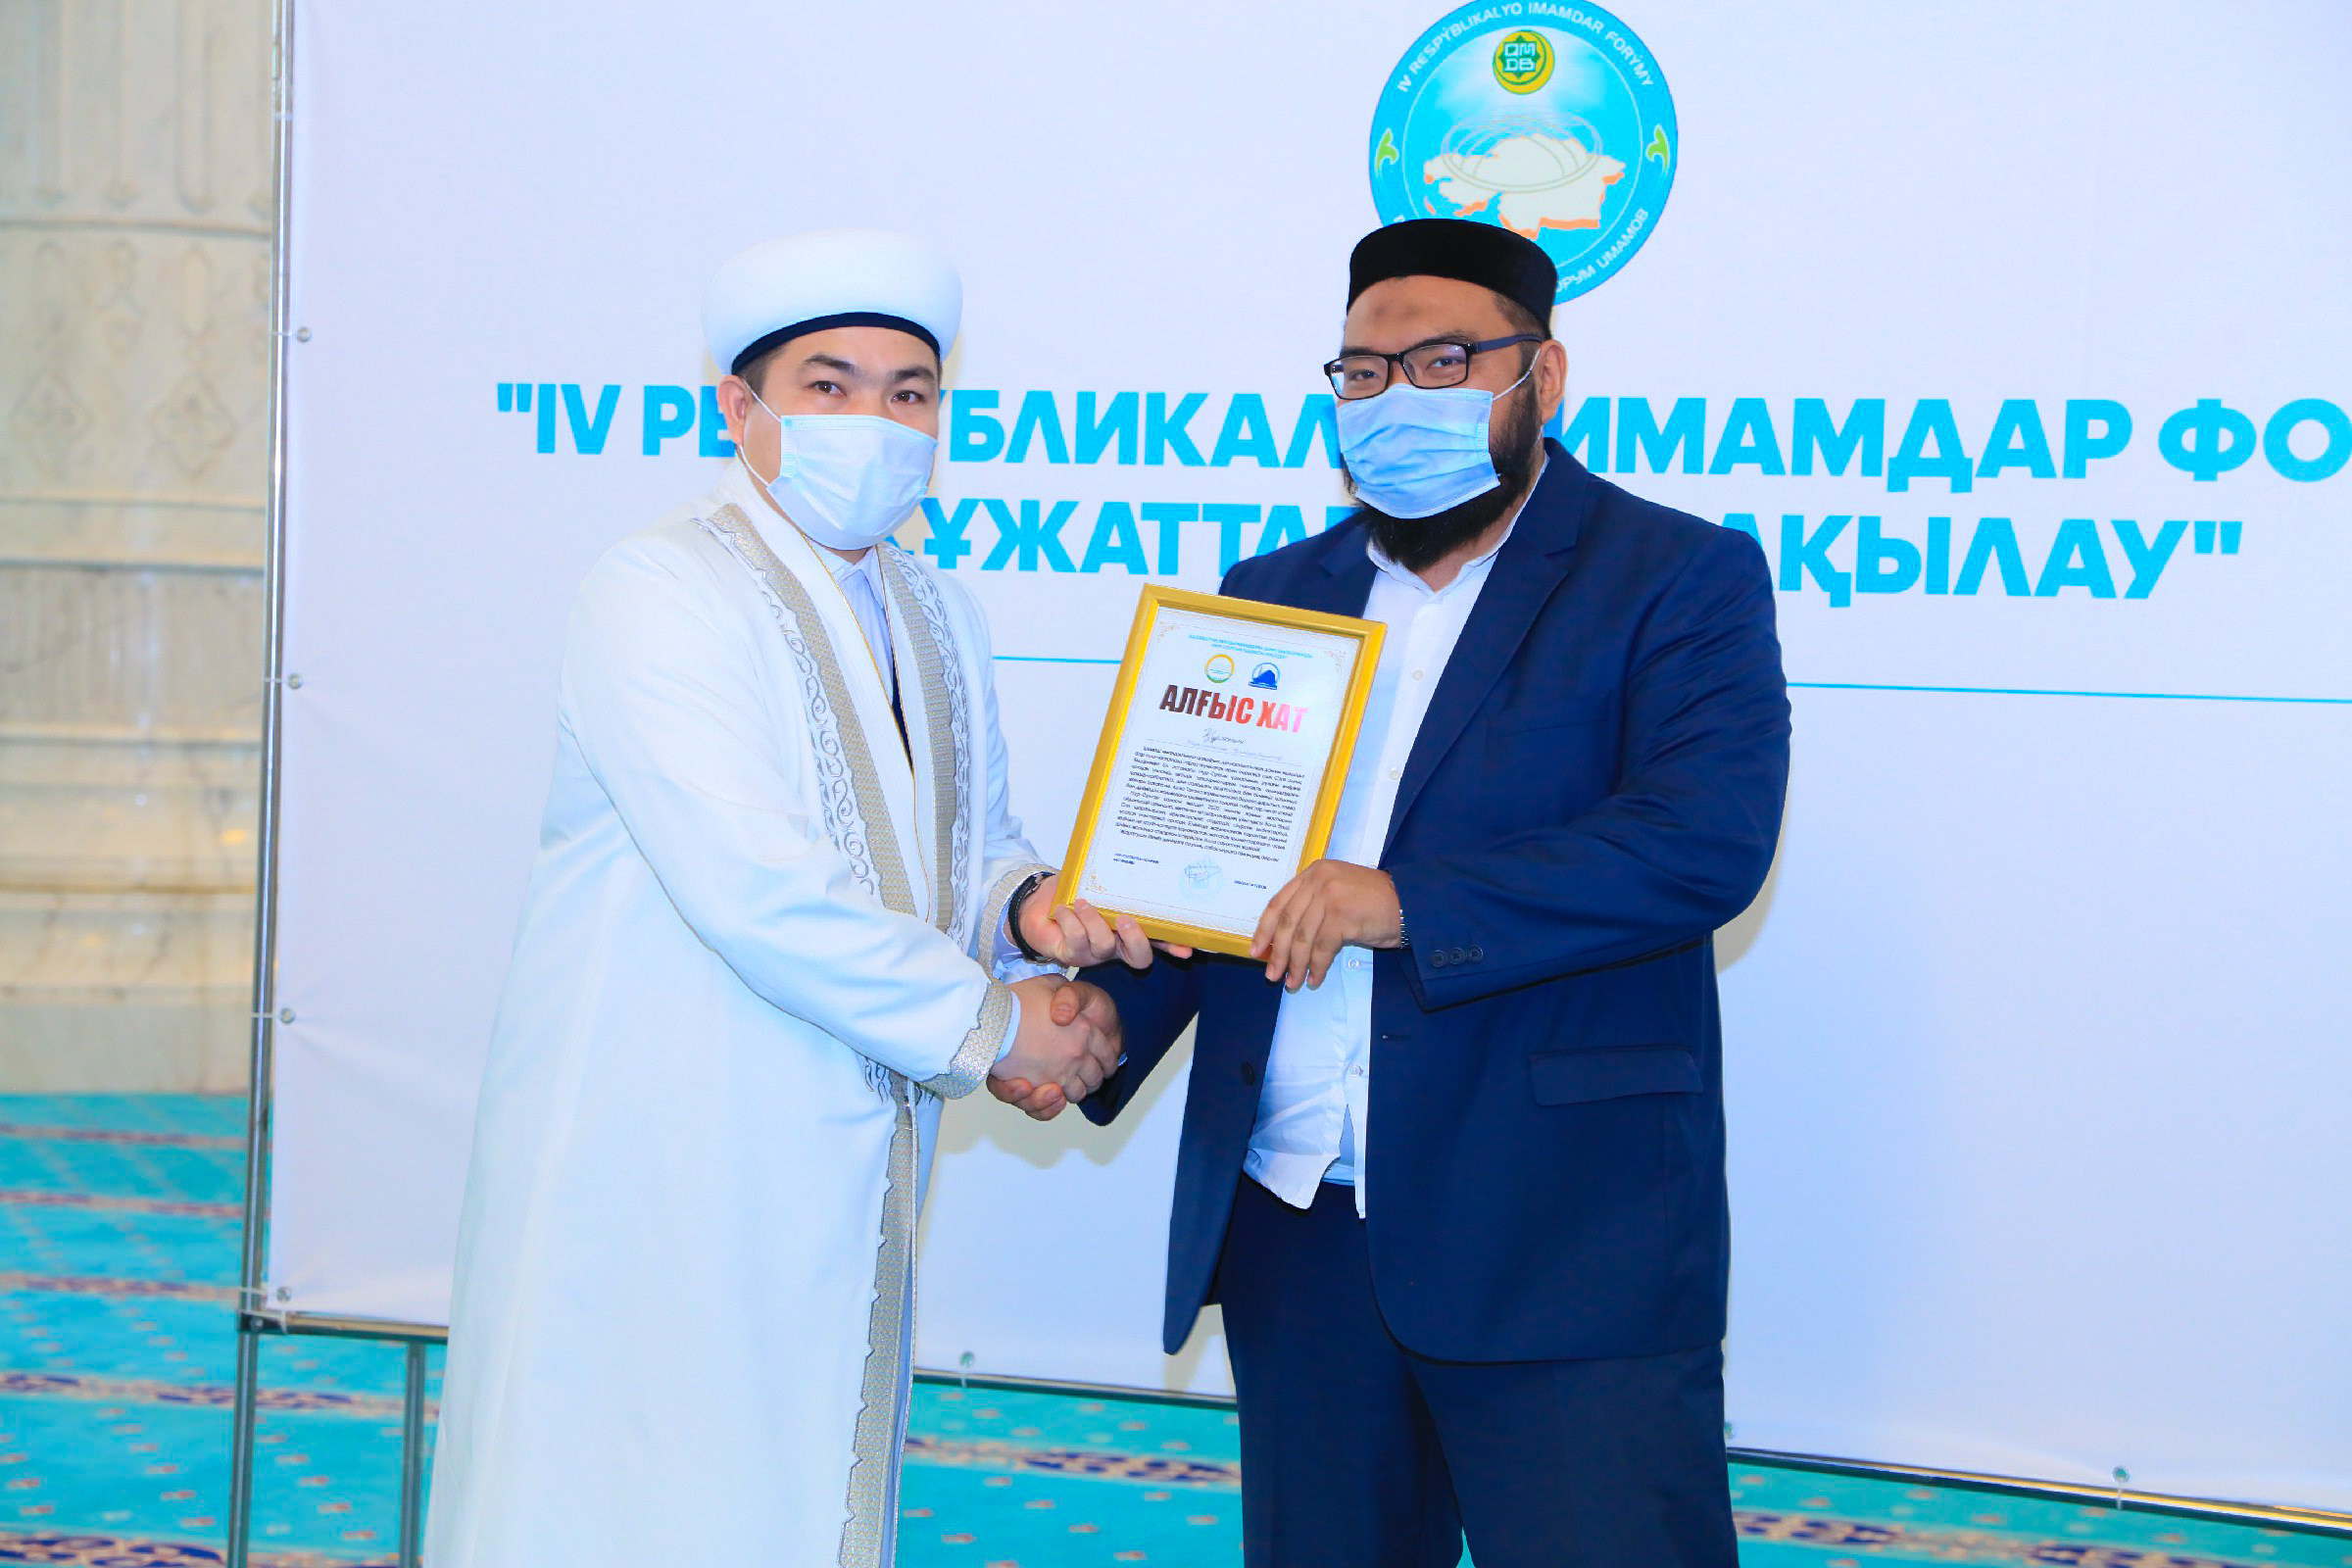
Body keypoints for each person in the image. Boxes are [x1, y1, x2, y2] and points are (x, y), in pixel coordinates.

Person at [997, 218, 1791, 1566]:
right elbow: (1217, 886)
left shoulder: (1675, 576)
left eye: (1442, 363)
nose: (1396, 399)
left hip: (1557, 1230)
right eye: (1363, 373)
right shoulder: (1273, 594)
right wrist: (1106, 1024)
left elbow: (1700, 842)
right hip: (1298, 1227)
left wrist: (1406, 901)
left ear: (1543, 375)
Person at [426, 228, 1151, 1568]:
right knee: (640, 1488)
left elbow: (966, 843)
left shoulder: (935, 604)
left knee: (794, 1482)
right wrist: (1003, 1027)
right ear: (740, 408)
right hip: (670, 1134)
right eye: (830, 385)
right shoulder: (661, 587)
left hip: (850, 1132)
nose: (875, 420)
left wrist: (1028, 913)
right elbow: (756, 881)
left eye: (909, 392)